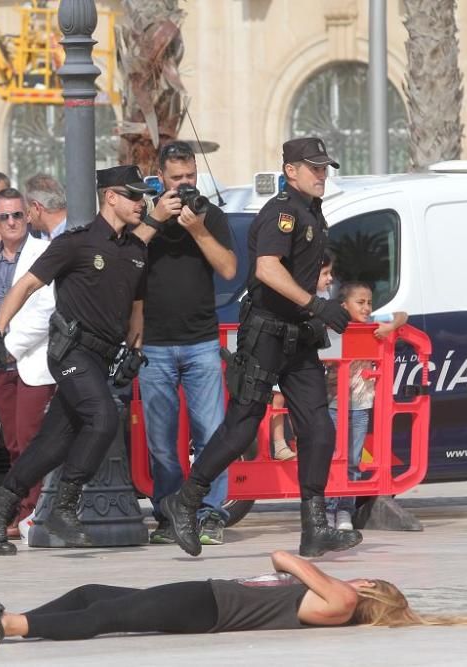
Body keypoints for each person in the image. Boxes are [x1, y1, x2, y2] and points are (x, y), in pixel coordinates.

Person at [161, 137, 361, 559]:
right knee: (242, 427)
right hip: (268, 334)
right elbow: (266, 269)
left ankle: (315, 528)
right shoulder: (282, 213)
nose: (322, 175)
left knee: (319, 430)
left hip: (299, 336)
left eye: (325, 168)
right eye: (314, 168)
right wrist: (317, 305)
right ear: (291, 170)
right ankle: (187, 500)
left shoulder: (311, 211)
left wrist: (314, 312)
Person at [0, 165, 153, 556]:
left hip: (103, 356)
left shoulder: (137, 251)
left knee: (51, 445)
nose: (141, 203)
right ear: (110, 197)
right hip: (71, 352)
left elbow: (138, 308)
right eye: (134, 196)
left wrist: (135, 350)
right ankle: (63, 506)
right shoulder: (77, 243)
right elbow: (25, 285)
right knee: (104, 417)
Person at [0, 550, 467, 644]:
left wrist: (298, 566)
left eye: (371, 581)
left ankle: (14, 625)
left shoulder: (340, 603)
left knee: (108, 615)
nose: (363, 579)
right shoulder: (334, 598)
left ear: (372, 593)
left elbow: (283, 557)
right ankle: (4, 620)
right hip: (205, 599)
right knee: (93, 592)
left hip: (208, 608)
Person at [130, 141, 237, 547]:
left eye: (190, 177)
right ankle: (168, 513)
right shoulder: (146, 215)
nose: (185, 186)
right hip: (154, 344)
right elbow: (128, 256)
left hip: (201, 342)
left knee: (211, 433)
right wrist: (157, 218)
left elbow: (228, 268)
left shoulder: (211, 215)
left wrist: (197, 229)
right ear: (160, 179)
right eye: (176, 180)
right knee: (160, 439)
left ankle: (209, 514)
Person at [0, 188, 56, 535]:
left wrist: (11, 345)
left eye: (17, 214)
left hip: (31, 360)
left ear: (28, 215)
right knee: (13, 442)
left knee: (30, 438)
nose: (12, 222)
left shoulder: (44, 252)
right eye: (4, 216)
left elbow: (47, 305)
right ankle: (19, 506)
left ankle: (30, 510)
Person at [324, 281, 408, 530]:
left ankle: (345, 511)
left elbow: (403, 315)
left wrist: (390, 326)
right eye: (360, 302)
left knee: (353, 458)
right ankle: (328, 509)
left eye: (369, 302)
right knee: (332, 458)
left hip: (361, 405)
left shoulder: (373, 322)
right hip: (334, 404)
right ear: (344, 305)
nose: (366, 307)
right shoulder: (336, 327)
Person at [270, 250, 334, 461]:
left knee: (304, 404)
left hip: (310, 361)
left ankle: (303, 441)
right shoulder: (294, 293)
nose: (330, 278)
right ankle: (279, 443)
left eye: (330, 273)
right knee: (279, 399)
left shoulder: (326, 297)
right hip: (286, 356)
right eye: (325, 273)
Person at [23, 174, 68, 241]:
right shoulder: (34, 237)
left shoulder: (79, 233)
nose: (27, 218)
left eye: (28, 211)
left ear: (37, 207)